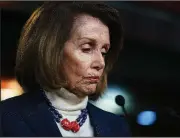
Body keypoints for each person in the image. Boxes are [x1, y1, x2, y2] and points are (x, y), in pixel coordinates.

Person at [0, 2, 131, 137]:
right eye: (86, 49)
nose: (100, 63)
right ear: (51, 50)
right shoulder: (6, 117)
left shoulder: (116, 126)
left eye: (103, 52)